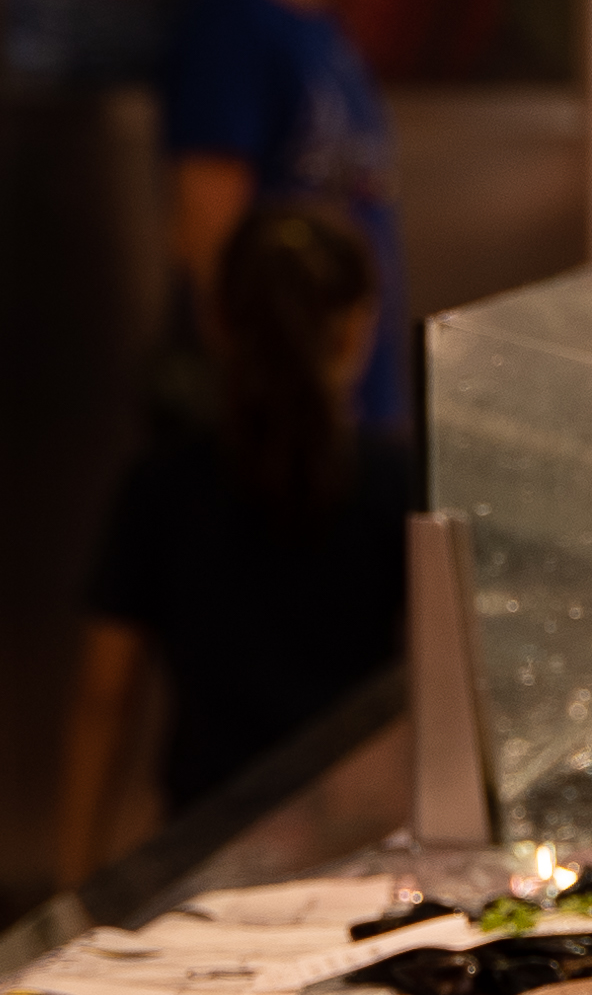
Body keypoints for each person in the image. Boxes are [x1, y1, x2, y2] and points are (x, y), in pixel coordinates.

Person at [54, 208, 409, 882]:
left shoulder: (163, 483)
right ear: (359, 326)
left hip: (205, 840)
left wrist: (74, 878)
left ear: (215, 321)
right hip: (361, 846)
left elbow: (105, 692)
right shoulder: (396, 481)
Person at [161, 0, 419, 432]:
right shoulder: (237, 26)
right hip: (287, 441)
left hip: (352, 416)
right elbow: (209, 242)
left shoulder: (326, 32)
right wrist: (276, 425)